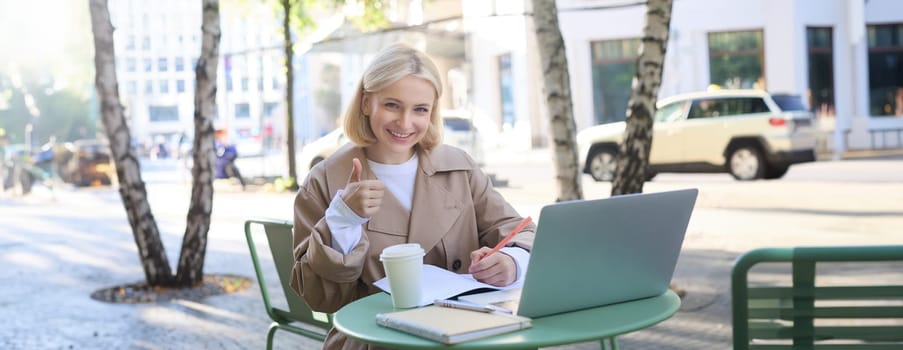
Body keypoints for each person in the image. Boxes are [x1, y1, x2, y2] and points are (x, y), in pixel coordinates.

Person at [289, 43, 535, 349]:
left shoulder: (459, 168)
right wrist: (342, 219)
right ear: (366, 103)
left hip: (467, 332)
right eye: (392, 105)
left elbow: (521, 232)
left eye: (420, 109)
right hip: (377, 340)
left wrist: (510, 262)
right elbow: (319, 297)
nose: (405, 123)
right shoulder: (325, 180)